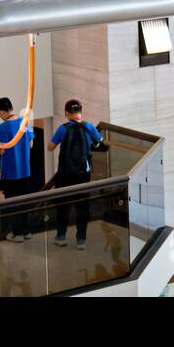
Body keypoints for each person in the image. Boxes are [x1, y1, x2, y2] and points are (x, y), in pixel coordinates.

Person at [46, 99, 104, 250]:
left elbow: (50, 147)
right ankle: (81, 240)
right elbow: (101, 143)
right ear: (80, 112)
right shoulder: (89, 127)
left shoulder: (62, 129)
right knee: (82, 207)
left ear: (66, 113)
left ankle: (61, 236)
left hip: (64, 174)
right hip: (82, 175)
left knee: (62, 205)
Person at [0, 96, 34, 242]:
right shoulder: (25, 121)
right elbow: (30, 144)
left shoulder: (2, 128)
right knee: (24, 201)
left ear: (3, 112)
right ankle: (27, 231)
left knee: (12, 204)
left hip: (11, 173)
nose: (0, 116)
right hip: (25, 171)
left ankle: (16, 234)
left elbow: (2, 151)